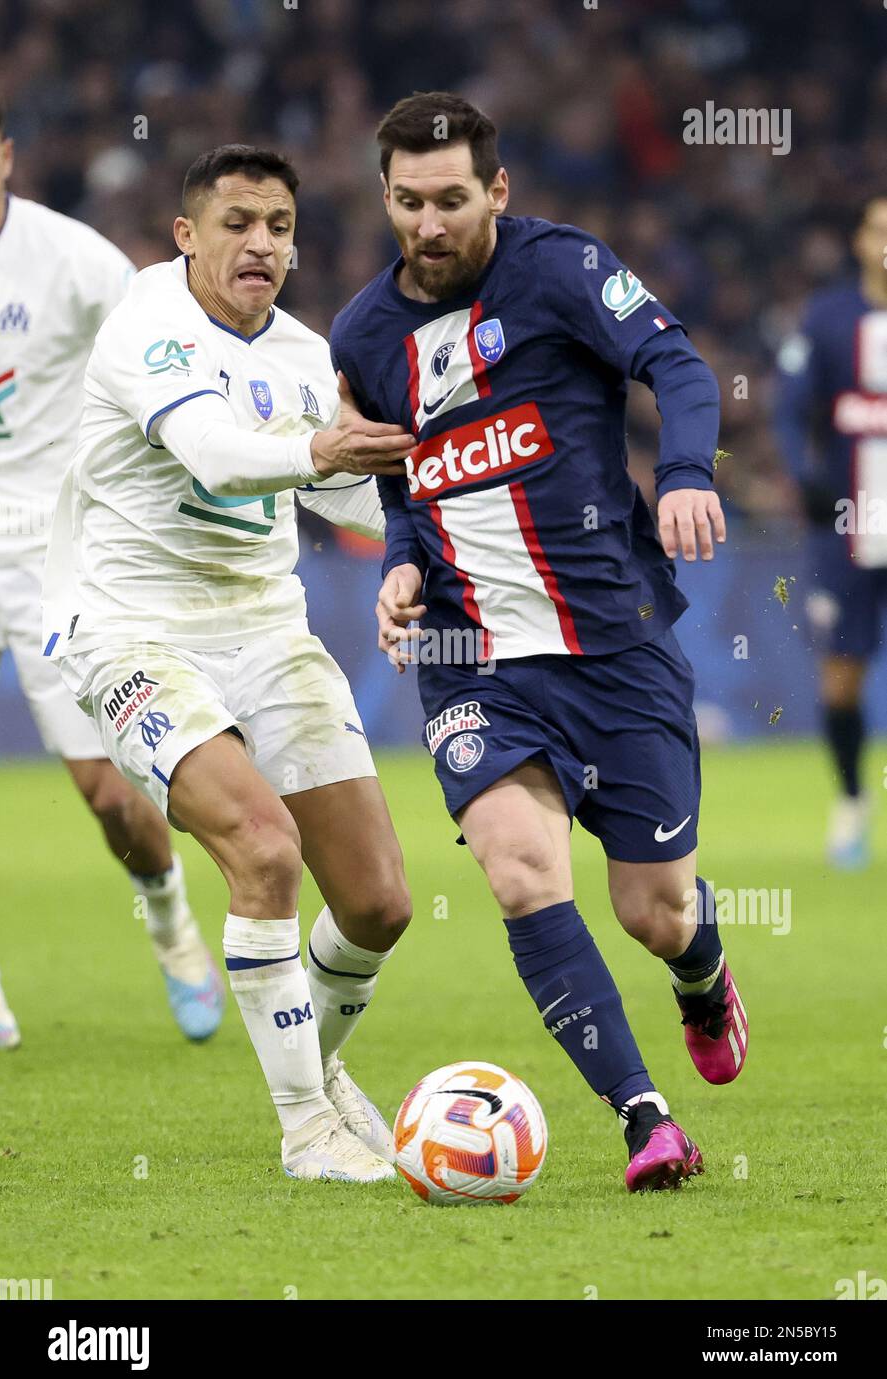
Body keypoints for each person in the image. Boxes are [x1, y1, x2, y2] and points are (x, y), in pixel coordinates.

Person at [331, 92, 747, 1193]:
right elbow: (402, 486)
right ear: (385, 199)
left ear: (497, 191)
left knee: (652, 911)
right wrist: (400, 565)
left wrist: (688, 474)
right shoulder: (364, 337)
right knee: (520, 875)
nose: (430, 224)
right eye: (410, 203)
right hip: (470, 658)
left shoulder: (561, 271)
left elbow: (680, 367)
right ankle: (645, 1120)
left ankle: (701, 976)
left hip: (612, 640)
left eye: (453, 200)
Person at [43, 144, 414, 1181]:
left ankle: (316, 1072)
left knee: (379, 904)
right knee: (262, 849)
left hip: (264, 626)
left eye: (281, 227)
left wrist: (424, 513)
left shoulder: (301, 352)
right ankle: (304, 1131)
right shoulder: (146, 327)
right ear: (187, 235)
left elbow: (333, 491)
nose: (261, 244)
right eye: (240, 222)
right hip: (131, 631)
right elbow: (218, 453)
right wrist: (325, 454)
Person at [0, 88, 222, 1048]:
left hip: (46, 546)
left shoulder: (73, 260)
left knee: (106, 789)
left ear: (5, 155)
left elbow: (155, 340)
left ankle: (168, 914)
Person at [775, 195, 887, 869]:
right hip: (845, 530)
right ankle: (849, 803)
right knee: (840, 677)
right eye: (879, 230)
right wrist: (804, 475)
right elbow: (787, 411)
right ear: (857, 239)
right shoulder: (826, 317)